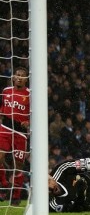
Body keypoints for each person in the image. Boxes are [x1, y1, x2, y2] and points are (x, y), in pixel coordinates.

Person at [0, 67, 30, 205]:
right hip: (5, 127)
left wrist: (28, 122)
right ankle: (5, 185)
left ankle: (16, 195)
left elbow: (35, 112)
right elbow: (2, 107)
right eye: (17, 75)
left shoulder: (30, 94)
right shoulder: (6, 91)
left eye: (22, 76)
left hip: (20, 133)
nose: (19, 77)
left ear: (26, 79)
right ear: (13, 77)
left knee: (18, 165)